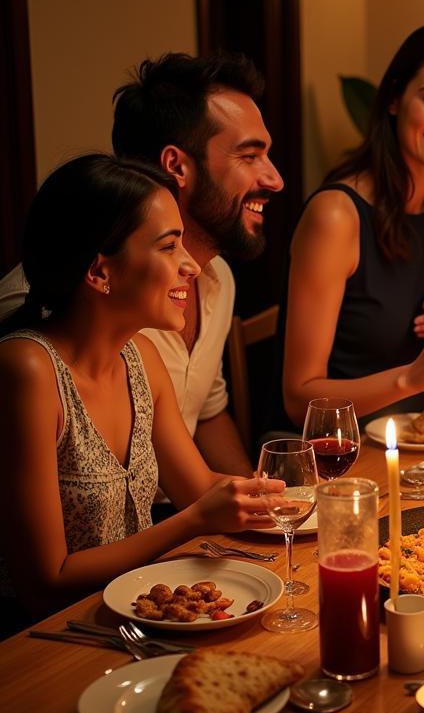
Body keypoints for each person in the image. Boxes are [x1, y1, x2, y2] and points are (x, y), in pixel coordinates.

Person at [0, 155, 282, 621]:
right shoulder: (27, 369)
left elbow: (200, 489)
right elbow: (44, 584)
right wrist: (191, 522)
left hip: (131, 619)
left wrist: (313, 501)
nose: (190, 265)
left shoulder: (141, 359)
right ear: (99, 272)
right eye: (170, 246)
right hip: (40, 641)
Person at [0, 52, 283, 476]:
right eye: (249, 156)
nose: (275, 179)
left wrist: (255, 500)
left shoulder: (218, 277)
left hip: (182, 519)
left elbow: (205, 414)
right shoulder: (53, 300)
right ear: (176, 166)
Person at [274, 23, 424, 427]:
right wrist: (411, 376)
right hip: (328, 461)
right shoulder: (336, 215)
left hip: (411, 447)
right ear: (393, 99)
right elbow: (299, 399)